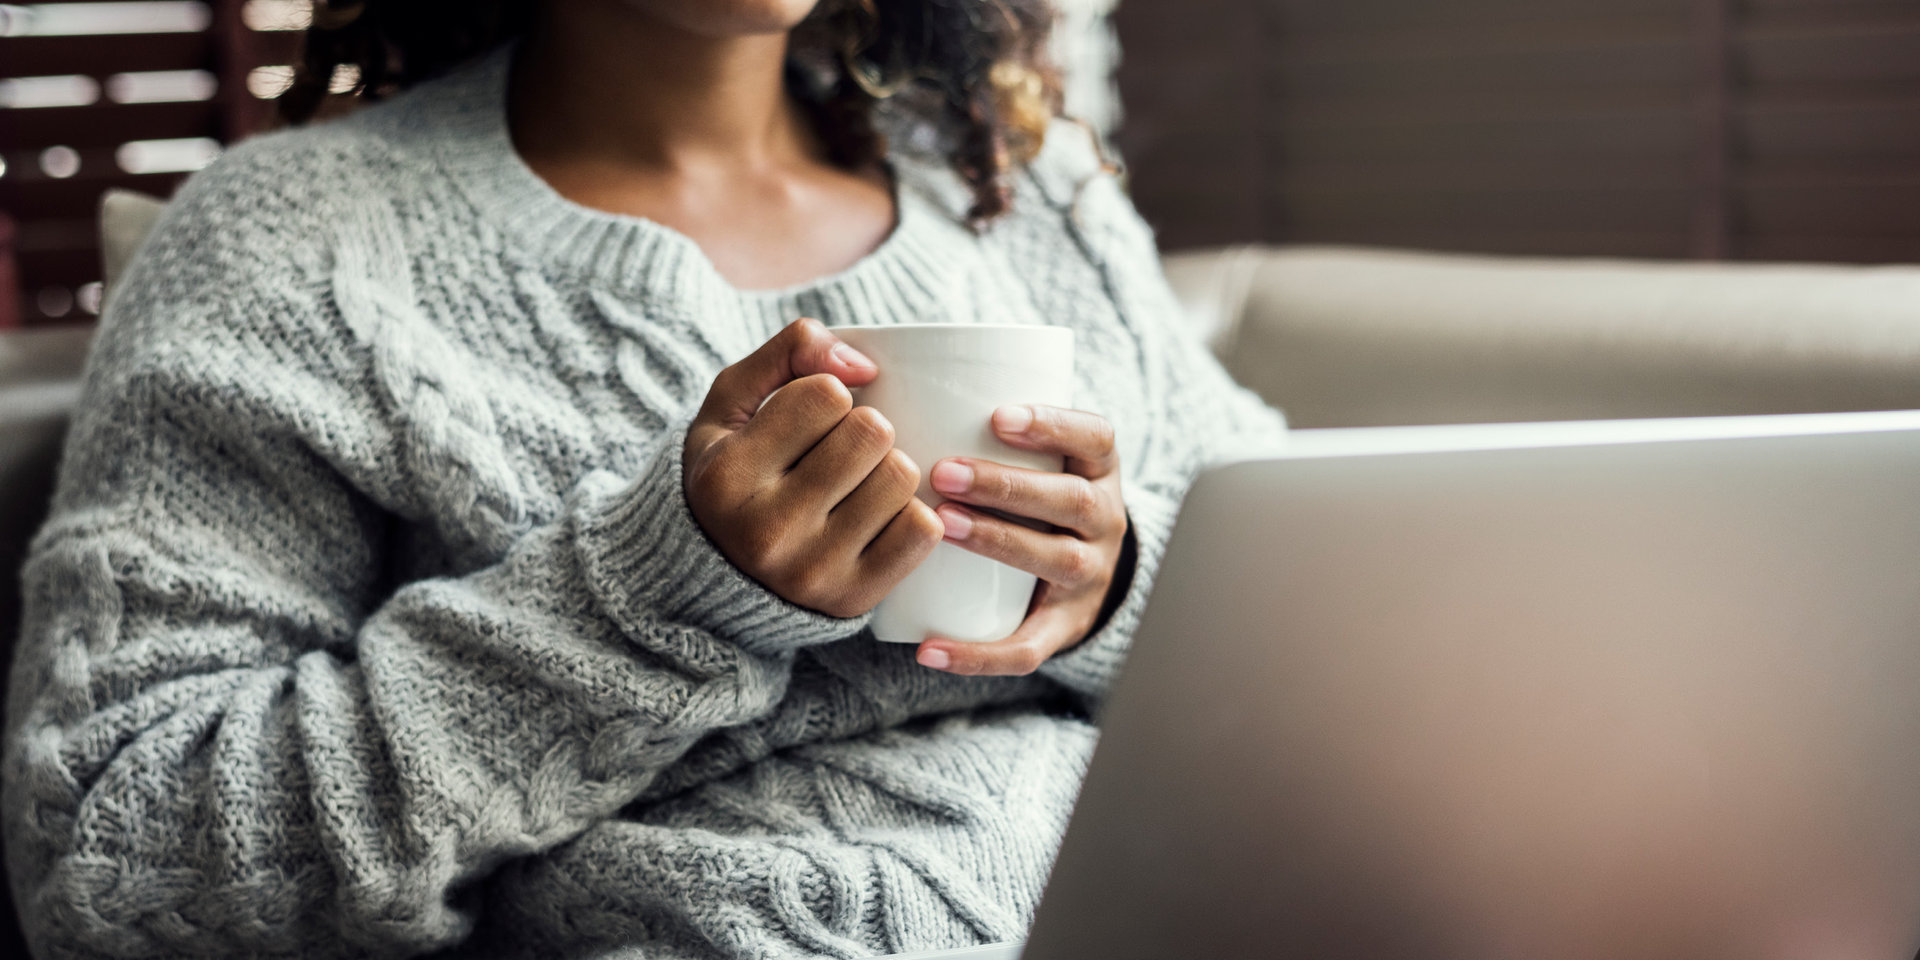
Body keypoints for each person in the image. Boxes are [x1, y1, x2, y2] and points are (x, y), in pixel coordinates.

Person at [2, 0, 1286, 957]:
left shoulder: (1017, 188)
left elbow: (1323, 610)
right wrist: (649, 596)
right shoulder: (284, 251)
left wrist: (1114, 578)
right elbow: (111, 863)